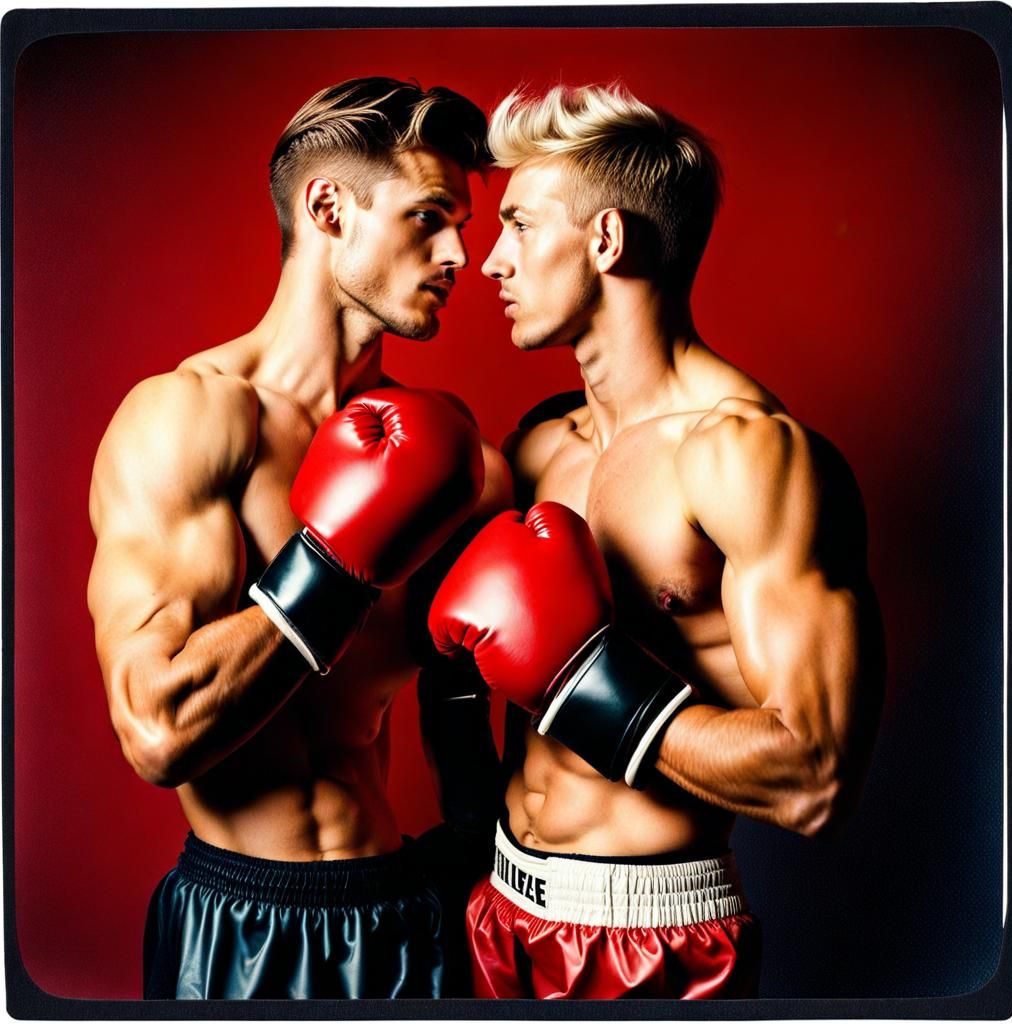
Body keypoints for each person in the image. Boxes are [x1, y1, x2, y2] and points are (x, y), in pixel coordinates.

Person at [428, 84, 886, 1000]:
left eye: (518, 224)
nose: (490, 263)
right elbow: (465, 682)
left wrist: (577, 681)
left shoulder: (750, 456)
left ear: (606, 240)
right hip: (497, 911)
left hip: (654, 941)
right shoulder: (539, 443)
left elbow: (813, 777)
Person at [86, 77, 510, 1000]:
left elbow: (454, 699)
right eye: (430, 216)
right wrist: (337, 563)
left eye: (466, 229)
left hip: (405, 915)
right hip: (239, 930)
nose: (459, 257)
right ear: (329, 207)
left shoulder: (446, 453)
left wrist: (483, 866)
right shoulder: (191, 420)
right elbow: (156, 732)